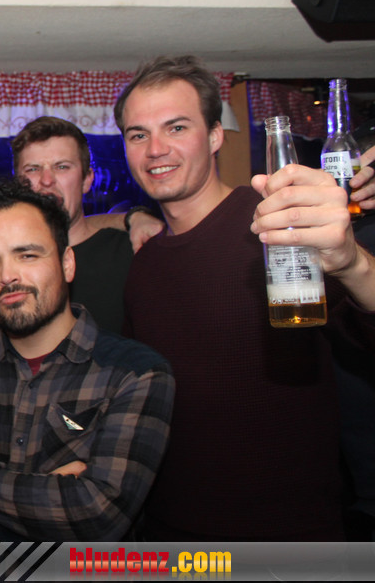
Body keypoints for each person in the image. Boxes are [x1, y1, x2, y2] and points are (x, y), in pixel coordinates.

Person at [117, 55, 375, 540]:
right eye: (137, 134)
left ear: (216, 135)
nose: (156, 149)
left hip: (290, 537)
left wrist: (352, 263)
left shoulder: (278, 224)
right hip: (172, 535)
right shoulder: (144, 265)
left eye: (176, 127)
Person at [0, 180, 174, 581]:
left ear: (67, 263)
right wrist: (49, 512)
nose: (8, 276)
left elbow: (97, 518)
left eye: (27, 254)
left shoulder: (134, 373)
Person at [12, 116, 149, 332]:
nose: (46, 180)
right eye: (32, 169)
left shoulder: (129, 254)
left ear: (86, 180)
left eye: (62, 167)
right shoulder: (7, 266)